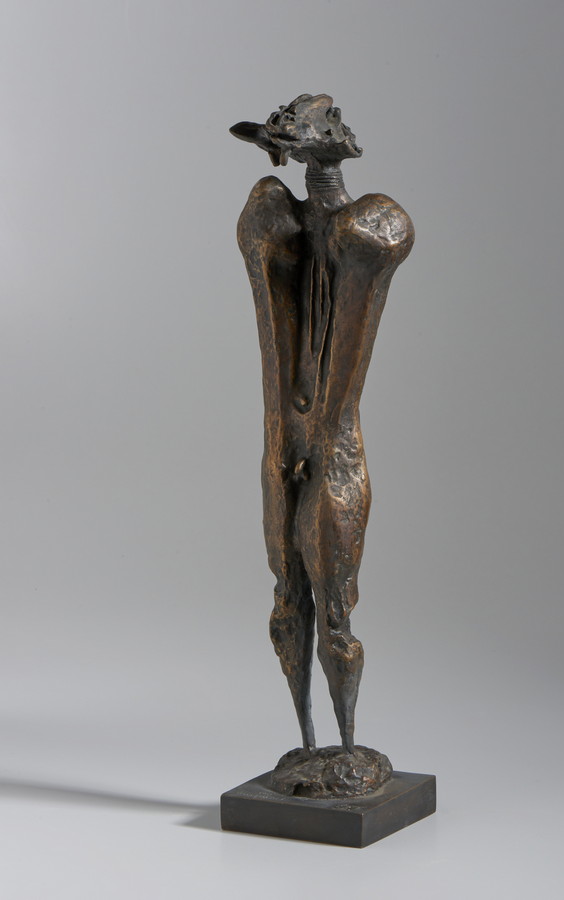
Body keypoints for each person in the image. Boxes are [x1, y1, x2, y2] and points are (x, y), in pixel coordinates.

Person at [231, 95, 414, 755]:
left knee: (333, 610)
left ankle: (347, 745)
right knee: (287, 594)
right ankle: (309, 746)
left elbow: (376, 244)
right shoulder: (271, 219)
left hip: (333, 446)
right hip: (283, 438)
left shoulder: (370, 228)